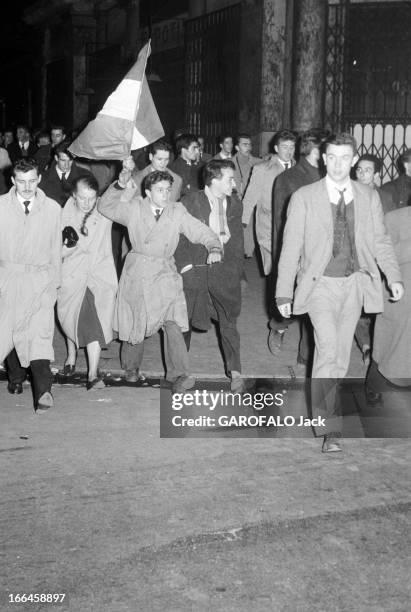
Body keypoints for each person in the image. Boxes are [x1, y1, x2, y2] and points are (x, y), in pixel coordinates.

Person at [275, 133, 403, 452]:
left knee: (342, 356)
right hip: (319, 285)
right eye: (331, 156)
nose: (337, 163)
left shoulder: (367, 196)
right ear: (323, 158)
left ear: (354, 160)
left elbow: (380, 241)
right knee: (327, 349)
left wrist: (393, 275)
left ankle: (327, 410)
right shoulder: (304, 197)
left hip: (354, 285)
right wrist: (282, 293)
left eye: (344, 157)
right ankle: (329, 428)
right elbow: (290, 247)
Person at [98, 165, 222, 392]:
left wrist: (214, 246)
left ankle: (180, 375)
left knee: (174, 322)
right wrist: (119, 185)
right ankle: (131, 366)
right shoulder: (134, 208)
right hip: (139, 271)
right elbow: (105, 206)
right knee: (137, 319)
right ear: (147, 192)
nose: (165, 194)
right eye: (160, 190)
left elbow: (198, 230)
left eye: (168, 190)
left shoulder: (177, 211)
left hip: (165, 272)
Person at [174, 159, 245, 392]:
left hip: (225, 272)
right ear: (214, 180)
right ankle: (180, 374)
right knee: (184, 321)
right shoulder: (190, 202)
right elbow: (179, 238)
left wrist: (236, 272)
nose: (234, 183)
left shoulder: (235, 203)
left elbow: (237, 243)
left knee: (229, 320)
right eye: (229, 179)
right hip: (197, 270)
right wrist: (186, 268)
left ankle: (235, 372)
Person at [0, 158, 61, 411]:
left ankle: (44, 392)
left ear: (39, 179)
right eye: (21, 182)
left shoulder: (53, 209)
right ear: (12, 180)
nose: (27, 187)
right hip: (8, 280)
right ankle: (15, 377)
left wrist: (54, 285)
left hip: (40, 281)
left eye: (32, 181)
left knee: (39, 337)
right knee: (9, 335)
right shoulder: (1, 208)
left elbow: (55, 250)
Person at [268, 129, 327, 361]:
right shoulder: (288, 178)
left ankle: (306, 354)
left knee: (316, 305)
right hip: (298, 253)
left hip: (322, 254)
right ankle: (278, 327)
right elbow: (280, 225)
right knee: (291, 304)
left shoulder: (328, 176)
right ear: (315, 150)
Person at [57, 176, 118, 389]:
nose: (87, 203)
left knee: (92, 323)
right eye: (82, 198)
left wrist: (124, 177)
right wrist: (67, 247)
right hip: (72, 277)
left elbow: (120, 195)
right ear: (74, 195)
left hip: (97, 278)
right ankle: (72, 354)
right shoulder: (62, 215)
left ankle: (92, 374)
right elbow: (55, 251)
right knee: (72, 318)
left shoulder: (104, 211)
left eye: (92, 198)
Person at [366, 206, 411, 402]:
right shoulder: (394, 218)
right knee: (389, 349)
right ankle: (372, 390)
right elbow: (379, 255)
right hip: (399, 298)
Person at [242, 129, 297, 275]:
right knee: (274, 268)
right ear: (276, 148)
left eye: (292, 147)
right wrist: (242, 221)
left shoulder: (299, 170)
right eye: (285, 147)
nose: (289, 151)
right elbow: (250, 197)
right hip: (269, 226)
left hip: (294, 226)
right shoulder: (262, 169)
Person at [40, 142, 92, 207]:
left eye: (70, 160)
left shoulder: (85, 176)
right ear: (56, 158)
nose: (66, 165)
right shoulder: (42, 178)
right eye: (63, 160)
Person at [169, 134, 201, 198]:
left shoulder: (197, 165)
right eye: (194, 148)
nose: (198, 152)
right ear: (183, 150)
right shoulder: (175, 168)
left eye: (198, 148)